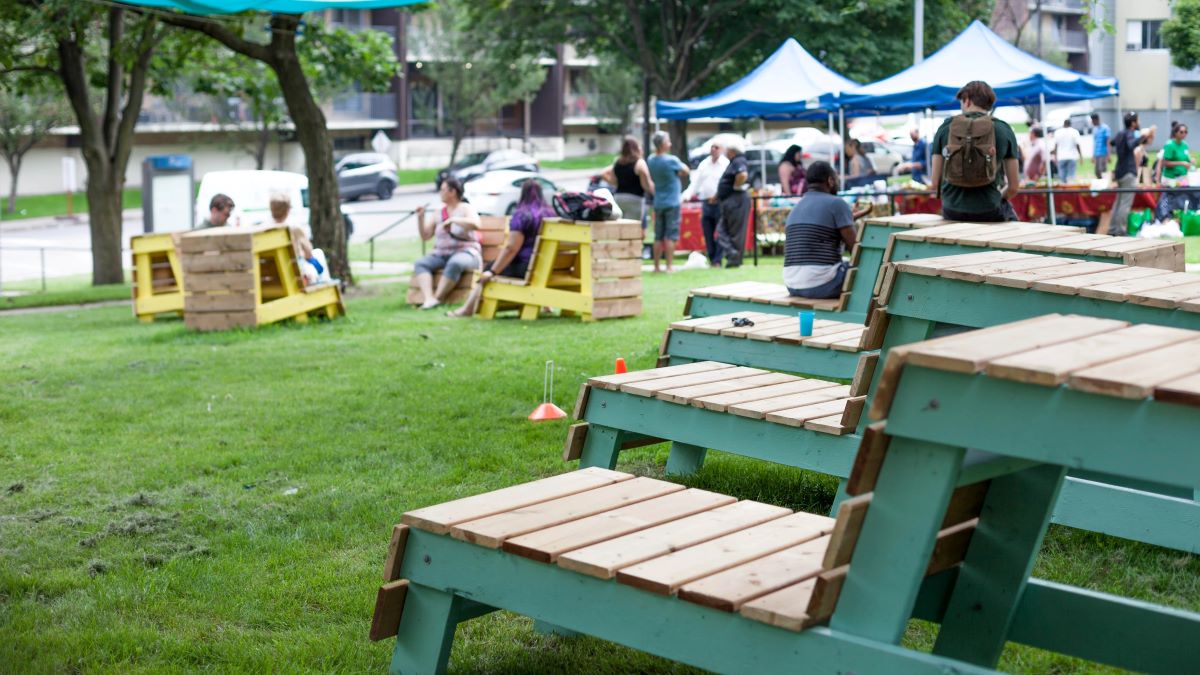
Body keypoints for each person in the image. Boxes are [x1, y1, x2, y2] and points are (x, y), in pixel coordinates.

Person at [448, 179, 550, 318]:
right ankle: (546, 306)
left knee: (488, 270)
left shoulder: (522, 216)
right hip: (547, 266)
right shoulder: (550, 214)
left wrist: (492, 271)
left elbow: (511, 248)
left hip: (528, 267)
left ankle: (467, 309)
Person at [929, 80, 1020, 222]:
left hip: (952, 211)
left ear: (967, 100)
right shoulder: (1003, 129)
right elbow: (1013, 187)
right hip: (990, 211)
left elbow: (935, 183)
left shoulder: (946, 127)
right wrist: (998, 198)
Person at [783, 161, 869, 299]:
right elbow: (856, 249)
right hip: (823, 284)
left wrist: (847, 218)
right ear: (830, 180)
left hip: (792, 285)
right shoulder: (837, 203)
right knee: (872, 266)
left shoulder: (796, 208)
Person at [412, 177, 482, 310]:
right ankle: (428, 298)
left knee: (455, 263)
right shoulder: (438, 211)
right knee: (421, 263)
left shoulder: (466, 208)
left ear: (453, 192)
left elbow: (476, 224)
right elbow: (425, 236)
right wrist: (421, 218)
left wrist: (454, 220)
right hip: (441, 253)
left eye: (443, 190)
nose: (440, 193)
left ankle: (437, 298)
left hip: (466, 252)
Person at [646, 131, 689, 273]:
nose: (670, 143)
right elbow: (686, 170)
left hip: (658, 202)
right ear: (663, 144)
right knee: (671, 235)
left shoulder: (651, 160)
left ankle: (656, 266)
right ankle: (669, 266)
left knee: (658, 236)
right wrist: (677, 173)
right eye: (668, 141)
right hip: (672, 202)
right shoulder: (671, 160)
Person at [267, 192, 331, 286]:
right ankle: (325, 283)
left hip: (272, 274)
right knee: (318, 253)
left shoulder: (264, 230)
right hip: (295, 275)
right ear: (287, 210)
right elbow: (308, 253)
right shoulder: (294, 229)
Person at [1108, 112, 1157, 235]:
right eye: (1138, 120)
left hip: (1119, 171)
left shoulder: (1120, 133)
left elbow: (1112, 142)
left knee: (1118, 202)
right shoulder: (1129, 133)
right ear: (1133, 123)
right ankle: (1120, 231)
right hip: (1128, 172)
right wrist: (1144, 136)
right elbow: (1131, 144)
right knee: (1125, 204)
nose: (1139, 122)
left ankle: (1112, 229)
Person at [681, 140, 728, 265]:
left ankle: (717, 259)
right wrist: (687, 195)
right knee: (707, 232)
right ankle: (712, 258)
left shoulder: (725, 164)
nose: (713, 149)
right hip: (706, 202)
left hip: (720, 203)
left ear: (721, 150)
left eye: (716, 147)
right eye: (712, 147)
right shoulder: (704, 164)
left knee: (720, 232)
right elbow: (695, 182)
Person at [713, 137, 751, 268]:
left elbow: (742, 175)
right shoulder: (734, 161)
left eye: (727, 150)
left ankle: (734, 257)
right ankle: (733, 255)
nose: (725, 153)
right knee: (723, 230)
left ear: (732, 151)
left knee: (734, 231)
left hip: (735, 199)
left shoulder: (739, 160)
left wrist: (736, 186)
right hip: (731, 199)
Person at [602, 137, 653, 230]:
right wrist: (653, 190)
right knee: (632, 228)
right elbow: (646, 185)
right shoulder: (639, 163)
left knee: (619, 228)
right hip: (635, 199)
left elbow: (613, 180)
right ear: (636, 148)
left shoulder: (617, 162)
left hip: (618, 198)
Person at [1054, 118, 1082, 183]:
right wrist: (1080, 156)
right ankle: (1070, 188)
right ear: (1070, 124)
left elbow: (1056, 146)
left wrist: (1055, 157)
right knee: (1071, 177)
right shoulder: (1075, 132)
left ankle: (1063, 187)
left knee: (1062, 177)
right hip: (1072, 156)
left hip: (1061, 157)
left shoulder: (1058, 132)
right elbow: (1077, 145)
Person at [1091, 113, 1111, 178]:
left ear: (1096, 119)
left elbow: (1108, 142)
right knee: (1097, 172)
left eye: (1093, 121)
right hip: (1097, 153)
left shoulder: (1105, 128)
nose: (1092, 123)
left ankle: (1104, 183)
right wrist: (1093, 155)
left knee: (1103, 171)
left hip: (1103, 153)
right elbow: (1095, 143)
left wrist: (1109, 154)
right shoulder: (1095, 129)